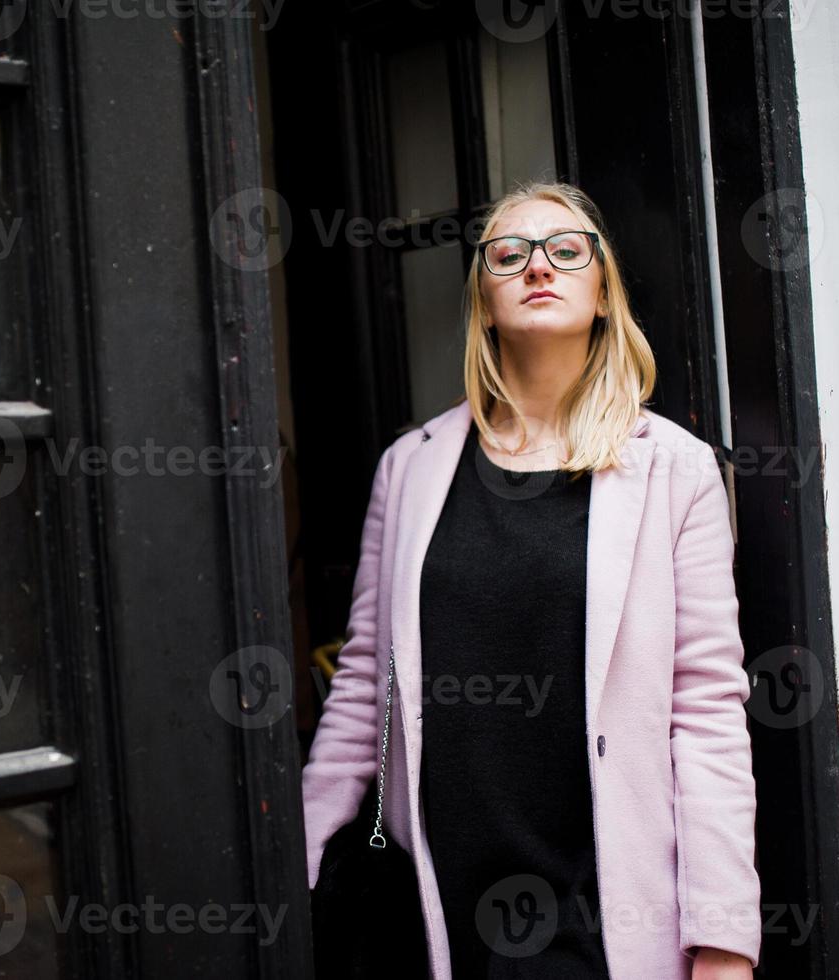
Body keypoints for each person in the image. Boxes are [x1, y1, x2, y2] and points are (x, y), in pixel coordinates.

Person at [300, 181, 760, 979]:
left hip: (596, 898)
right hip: (435, 898)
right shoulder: (409, 467)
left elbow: (707, 709)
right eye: (508, 255)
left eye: (565, 250)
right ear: (482, 302)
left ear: (603, 293)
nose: (536, 266)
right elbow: (363, 682)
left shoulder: (674, 471)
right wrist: (297, 860)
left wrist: (721, 937)